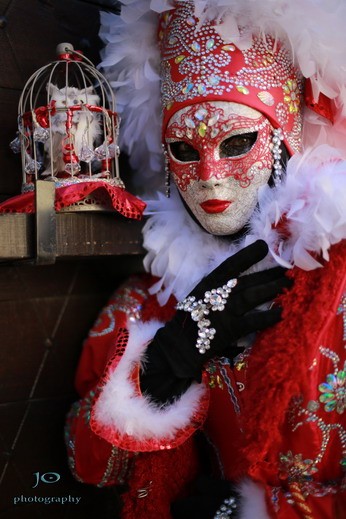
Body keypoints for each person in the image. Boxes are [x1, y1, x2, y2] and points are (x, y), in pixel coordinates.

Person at [65, 1, 346, 517]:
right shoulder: (148, 303)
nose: (212, 175)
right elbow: (87, 466)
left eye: (237, 142)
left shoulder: (340, 288)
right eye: (187, 151)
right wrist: (155, 369)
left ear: (285, 138)